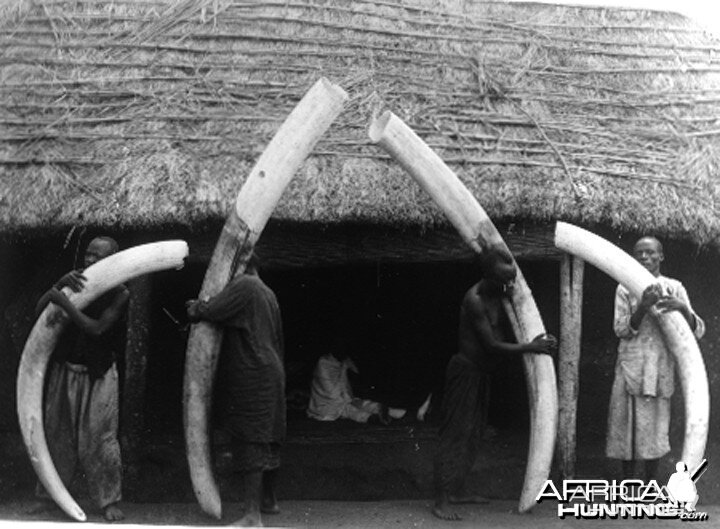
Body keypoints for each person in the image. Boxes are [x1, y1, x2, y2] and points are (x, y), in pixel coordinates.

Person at [432, 246, 557, 521]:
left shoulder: (499, 291)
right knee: (456, 434)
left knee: (473, 434)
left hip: (481, 375)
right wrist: (531, 347)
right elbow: (490, 345)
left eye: (512, 279)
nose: (510, 285)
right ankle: (441, 501)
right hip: (465, 373)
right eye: (504, 280)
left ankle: (457, 491)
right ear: (487, 275)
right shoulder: (474, 299)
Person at [33, 236, 128, 521]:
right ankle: (50, 496)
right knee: (56, 432)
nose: (90, 262)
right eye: (88, 255)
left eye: (98, 257)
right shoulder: (73, 283)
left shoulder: (120, 293)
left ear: (112, 259)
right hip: (66, 370)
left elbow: (98, 329)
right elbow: (41, 315)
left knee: (101, 437)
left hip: (98, 374)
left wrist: (64, 301)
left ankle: (108, 501)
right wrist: (56, 289)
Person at [186, 255, 285, 527]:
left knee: (251, 437)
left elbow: (211, 310)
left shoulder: (244, 286)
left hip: (253, 369)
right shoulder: (266, 291)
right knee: (267, 434)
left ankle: (252, 517)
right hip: (269, 370)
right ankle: (269, 501)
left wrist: (196, 307)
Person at [606, 236, 704, 483]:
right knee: (625, 427)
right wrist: (642, 306)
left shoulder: (674, 287)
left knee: (655, 430)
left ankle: (650, 484)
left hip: (659, 368)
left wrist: (682, 308)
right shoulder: (625, 287)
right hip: (630, 366)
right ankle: (627, 486)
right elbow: (620, 329)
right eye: (639, 253)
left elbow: (696, 331)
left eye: (650, 253)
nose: (644, 257)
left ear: (661, 256)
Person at [307, 352, 389, 424]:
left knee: (359, 403)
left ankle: (382, 409)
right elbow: (327, 388)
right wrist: (345, 399)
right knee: (349, 410)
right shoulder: (323, 362)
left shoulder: (344, 360)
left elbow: (356, 372)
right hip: (325, 401)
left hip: (343, 397)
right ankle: (372, 418)